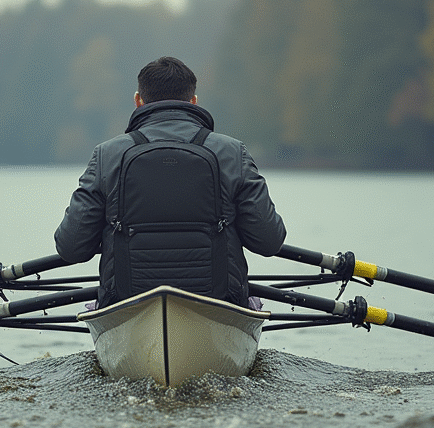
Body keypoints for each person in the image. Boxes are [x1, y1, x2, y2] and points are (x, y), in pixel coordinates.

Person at [54, 56, 286, 309]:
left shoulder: (107, 156)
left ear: (138, 101)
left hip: (127, 303)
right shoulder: (232, 153)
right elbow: (269, 241)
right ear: (193, 101)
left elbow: (71, 248)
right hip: (219, 302)